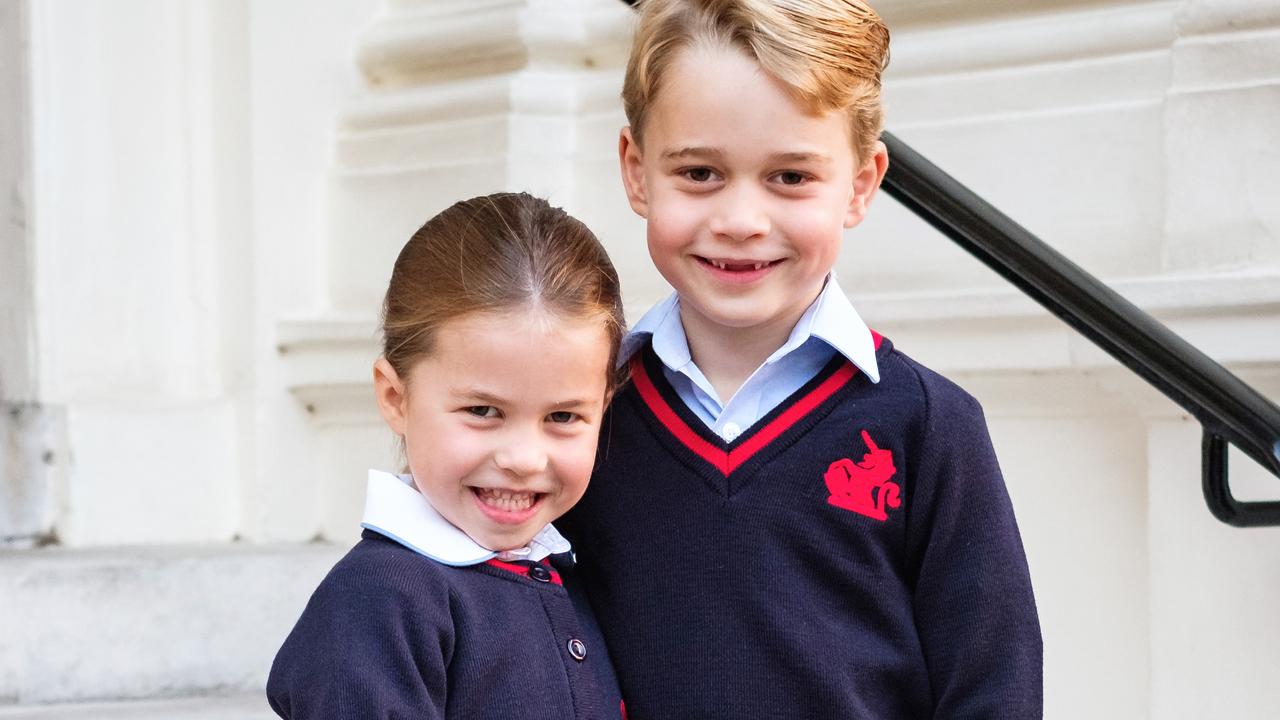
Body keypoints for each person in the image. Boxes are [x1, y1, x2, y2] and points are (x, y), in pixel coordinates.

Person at [558, 1, 1043, 717]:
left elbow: (993, 688)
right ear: (636, 171)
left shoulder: (930, 427)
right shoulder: (583, 417)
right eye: (699, 173)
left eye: (789, 177)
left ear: (861, 183)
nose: (741, 220)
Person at [267, 193, 629, 720]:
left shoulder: (569, 567)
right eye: (483, 410)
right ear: (396, 397)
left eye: (563, 417)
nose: (525, 458)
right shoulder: (380, 602)